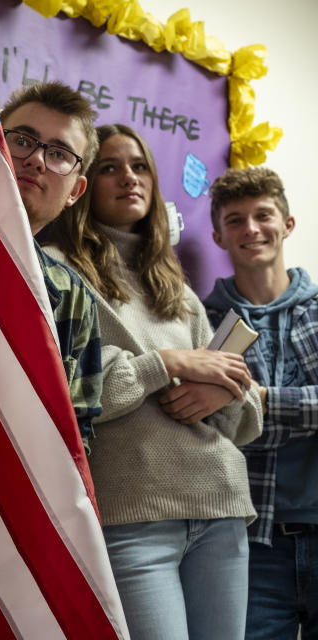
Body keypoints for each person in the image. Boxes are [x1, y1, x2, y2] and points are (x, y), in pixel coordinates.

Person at [44, 123, 262, 640]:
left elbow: (248, 406)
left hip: (221, 503)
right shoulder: (55, 269)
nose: (129, 177)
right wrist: (168, 363)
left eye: (139, 166)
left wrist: (218, 387)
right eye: (110, 167)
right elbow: (75, 391)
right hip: (132, 514)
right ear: (82, 185)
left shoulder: (174, 285)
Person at [203, 167, 318, 639]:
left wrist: (262, 400)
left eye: (263, 215)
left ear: (287, 224)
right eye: (236, 220)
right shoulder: (203, 321)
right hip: (251, 540)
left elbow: (241, 410)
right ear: (217, 235)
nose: (251, 229)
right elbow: (214, 423)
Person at [0, 82, 103, 449]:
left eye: (59, 154)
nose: (36, 160)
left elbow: (75, 436)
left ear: (75, 191)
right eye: (22, 141)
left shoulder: (76, 300)